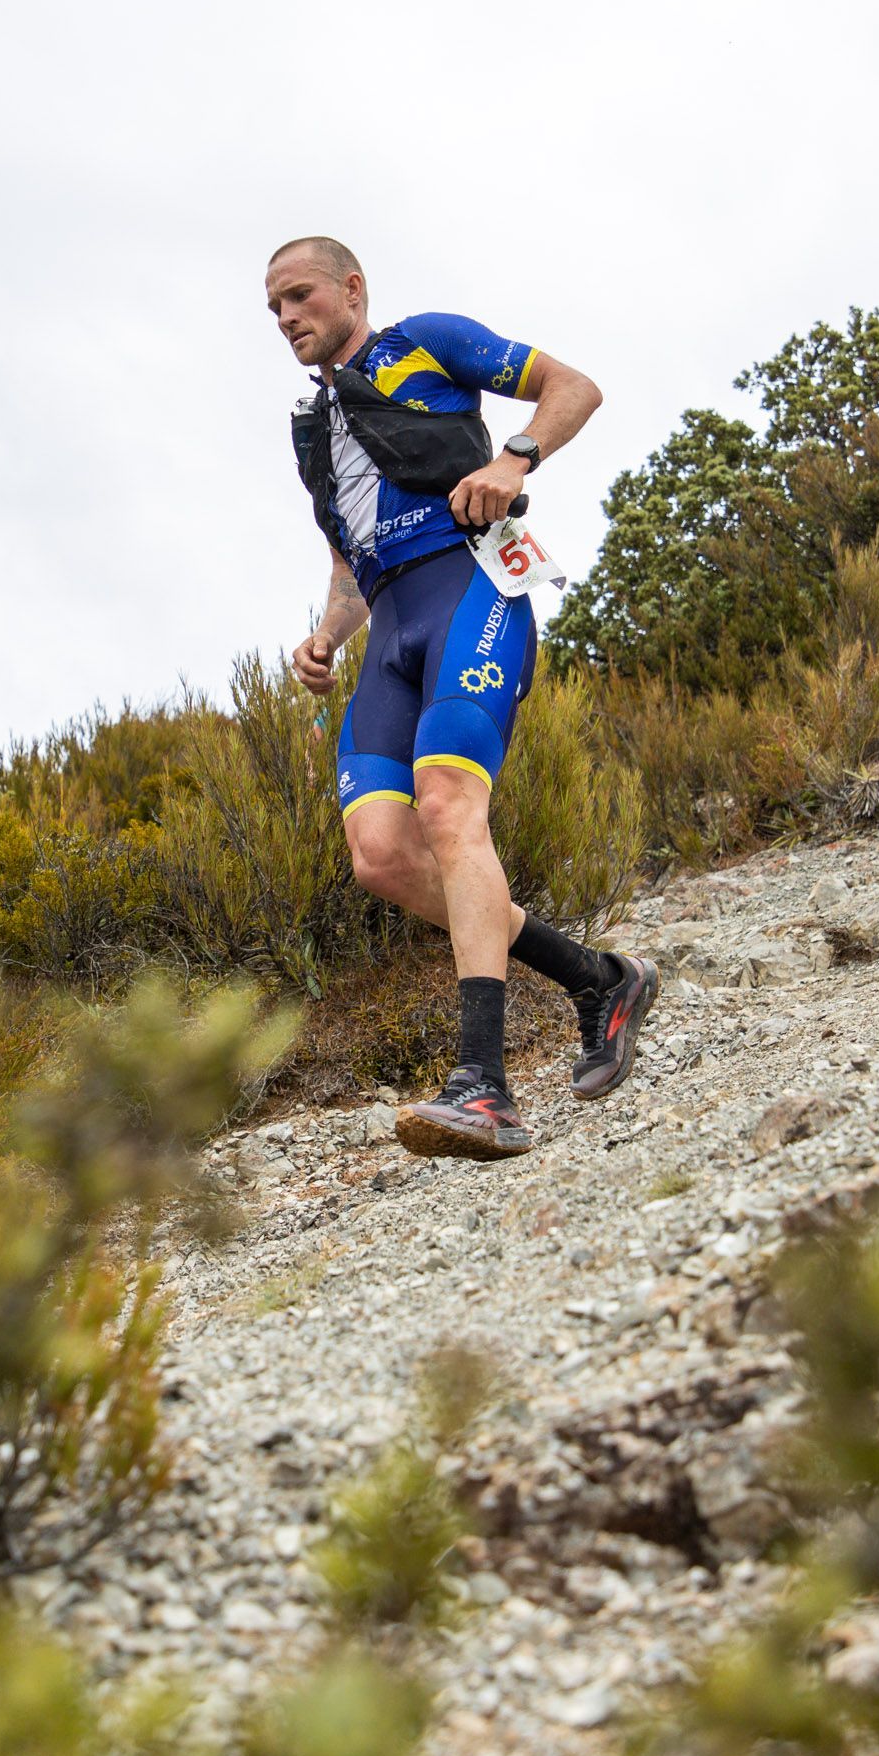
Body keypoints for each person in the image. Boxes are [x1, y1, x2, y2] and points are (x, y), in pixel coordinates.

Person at [267, 234, 657, 1160]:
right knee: (381, 856)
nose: (286, 318)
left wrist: (514, 458)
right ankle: (598, 978)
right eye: (273, 308)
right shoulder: (313, 432)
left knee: (447, 807)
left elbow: (575, 387)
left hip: (473, 594)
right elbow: (349, 568)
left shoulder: (427, 343)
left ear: (349, 289)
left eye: (299, 296)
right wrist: (325, 638)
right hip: (391, 627)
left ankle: (482, 1086)